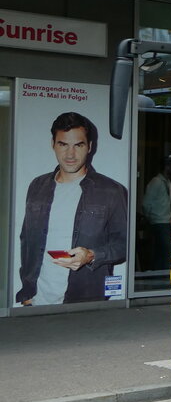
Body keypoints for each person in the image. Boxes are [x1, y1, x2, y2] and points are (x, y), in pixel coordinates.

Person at [17, 112, 128, 306]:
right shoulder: (37, 186)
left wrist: (91, 255)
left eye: (78, 145)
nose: (70, 154)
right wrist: (27, 292)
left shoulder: (111, 191)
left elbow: (124, 245)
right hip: (37, 299)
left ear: (90, 147)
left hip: (84, 298)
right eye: (63, 144)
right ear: (53, 144)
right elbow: (27, 240)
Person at [141, 153, 171, 270]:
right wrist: (150, 218)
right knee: (167, 252)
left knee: (160, 252)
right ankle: (163, 274)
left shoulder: (167, 182)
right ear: (167, 167)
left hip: (166, 221)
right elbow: (146, 203)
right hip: (158, 222)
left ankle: (157, 272)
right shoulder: (156, 182)